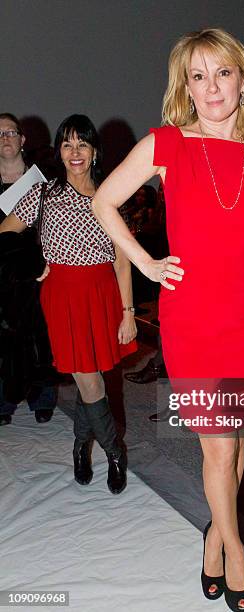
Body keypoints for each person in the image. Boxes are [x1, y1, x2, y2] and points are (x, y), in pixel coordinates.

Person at [93, 28, 244, 611]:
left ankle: (215, 536)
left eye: (222, 73)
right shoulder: (167, 144)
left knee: (237, 440)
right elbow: (103, 201)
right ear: (185, 87)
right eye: (198, 76)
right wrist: (145, 261)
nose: (211, 87)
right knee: (217, 446)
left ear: (243, 79)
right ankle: (235, 551)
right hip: (192, 313)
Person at [0, 114, 137, 494]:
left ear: (94, 152)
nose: (74, 152)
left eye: (82, 144)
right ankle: (113, 450)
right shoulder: (43, 194)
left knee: (87, 374)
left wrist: (128, 312)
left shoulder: (110, 194)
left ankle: (81, 445)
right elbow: (5, 233)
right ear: (58, 151)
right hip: (61, 295)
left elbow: (122, 260)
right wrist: (32, 266)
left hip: (101, 293)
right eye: (67, 144)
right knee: (88, 377)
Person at [0, 112, 57, 426]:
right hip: (1, 273)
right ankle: (4, 401)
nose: (5, 138)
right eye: (0, 134)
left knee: (40, 335)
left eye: (11, 132)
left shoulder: (43, 182)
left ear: (22, 140)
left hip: (37, 271)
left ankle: (42, 398)